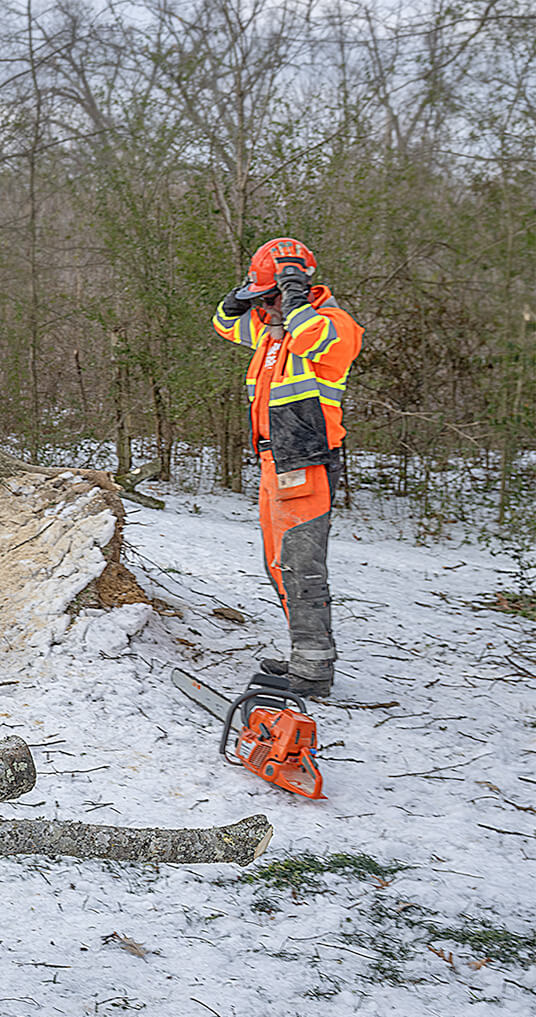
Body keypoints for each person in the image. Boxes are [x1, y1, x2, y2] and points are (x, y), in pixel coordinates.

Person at [213, 237, 363, 697]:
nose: (263, 308)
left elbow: (313, 336)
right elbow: (224, 324)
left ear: (296, 290)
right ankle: (304, 653)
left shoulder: (334, 326)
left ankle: (314, 668)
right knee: (277, 564)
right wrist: (242, 295)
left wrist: (295, 297)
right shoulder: (272, 331)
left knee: (302, 564)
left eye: (269, 298)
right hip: (272, 460)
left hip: (305, 459)